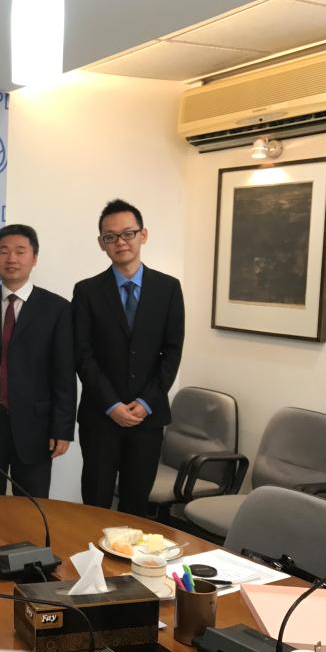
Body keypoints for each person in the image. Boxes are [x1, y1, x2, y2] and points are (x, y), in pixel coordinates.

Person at [72, 199, 185, 517]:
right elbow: (82, 354)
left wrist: (147, 402)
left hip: (147, 418)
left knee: (136, 507)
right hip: (100, 417)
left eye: (128, 233)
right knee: (95, 503)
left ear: (143, 235)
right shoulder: (87, 291)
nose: (120, 242)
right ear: (101, 243)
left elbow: (172, 351)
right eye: (111, 236)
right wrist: (112, 405)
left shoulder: (168, 288)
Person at [0, 224, 75, 498]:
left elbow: (64, 373)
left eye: (20, 251)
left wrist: (62, 428)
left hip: (36, 426)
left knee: (31, 505)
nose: (12, 258)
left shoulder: (57, 308)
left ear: (34, 258)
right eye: (4, 251)